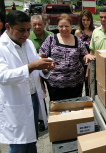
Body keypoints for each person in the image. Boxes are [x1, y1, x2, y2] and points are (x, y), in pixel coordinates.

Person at [0, 10, 55, 153]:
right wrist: (31, 67)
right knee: (18, 145)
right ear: (8, 27)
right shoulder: (1, 46)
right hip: (15, 102)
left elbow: (35, 68)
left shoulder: (28, 43)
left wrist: (45, 68)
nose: (26, 34)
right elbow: (3, 77)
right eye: (21, 30)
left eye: (28, 29)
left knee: (32, 140)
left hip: (33, 98)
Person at [39, 13, 95, 101]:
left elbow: (83, 57)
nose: (64, 29)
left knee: (74, 110)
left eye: (67, 26)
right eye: (61, 26)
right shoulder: (51, 39)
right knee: (58, 111)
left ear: (71, 26)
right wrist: (44, 68)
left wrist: (87, 56)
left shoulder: (78, 40)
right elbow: (40, 56)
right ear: (57, 26)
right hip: (55, 85)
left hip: (75, 84)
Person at [29, 15, 53, 131]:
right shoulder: (28, 38)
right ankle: (42, 119)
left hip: (50, 69)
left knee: (52, 91)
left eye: (39, 24)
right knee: (40, 95)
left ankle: (53, 117)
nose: (37, 27)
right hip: (35, 71)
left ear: (44, 24)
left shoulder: (51, 36)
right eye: (34, 25)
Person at [75, 10, 95, 96]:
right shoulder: (78, 32)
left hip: (91, 62)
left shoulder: (95, 30)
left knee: (89, 87)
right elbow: (76, 50)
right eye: (83, 20)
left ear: (91, 20)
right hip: (81, 63)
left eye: (88, 20)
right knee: (79, 87)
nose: (86, 22)